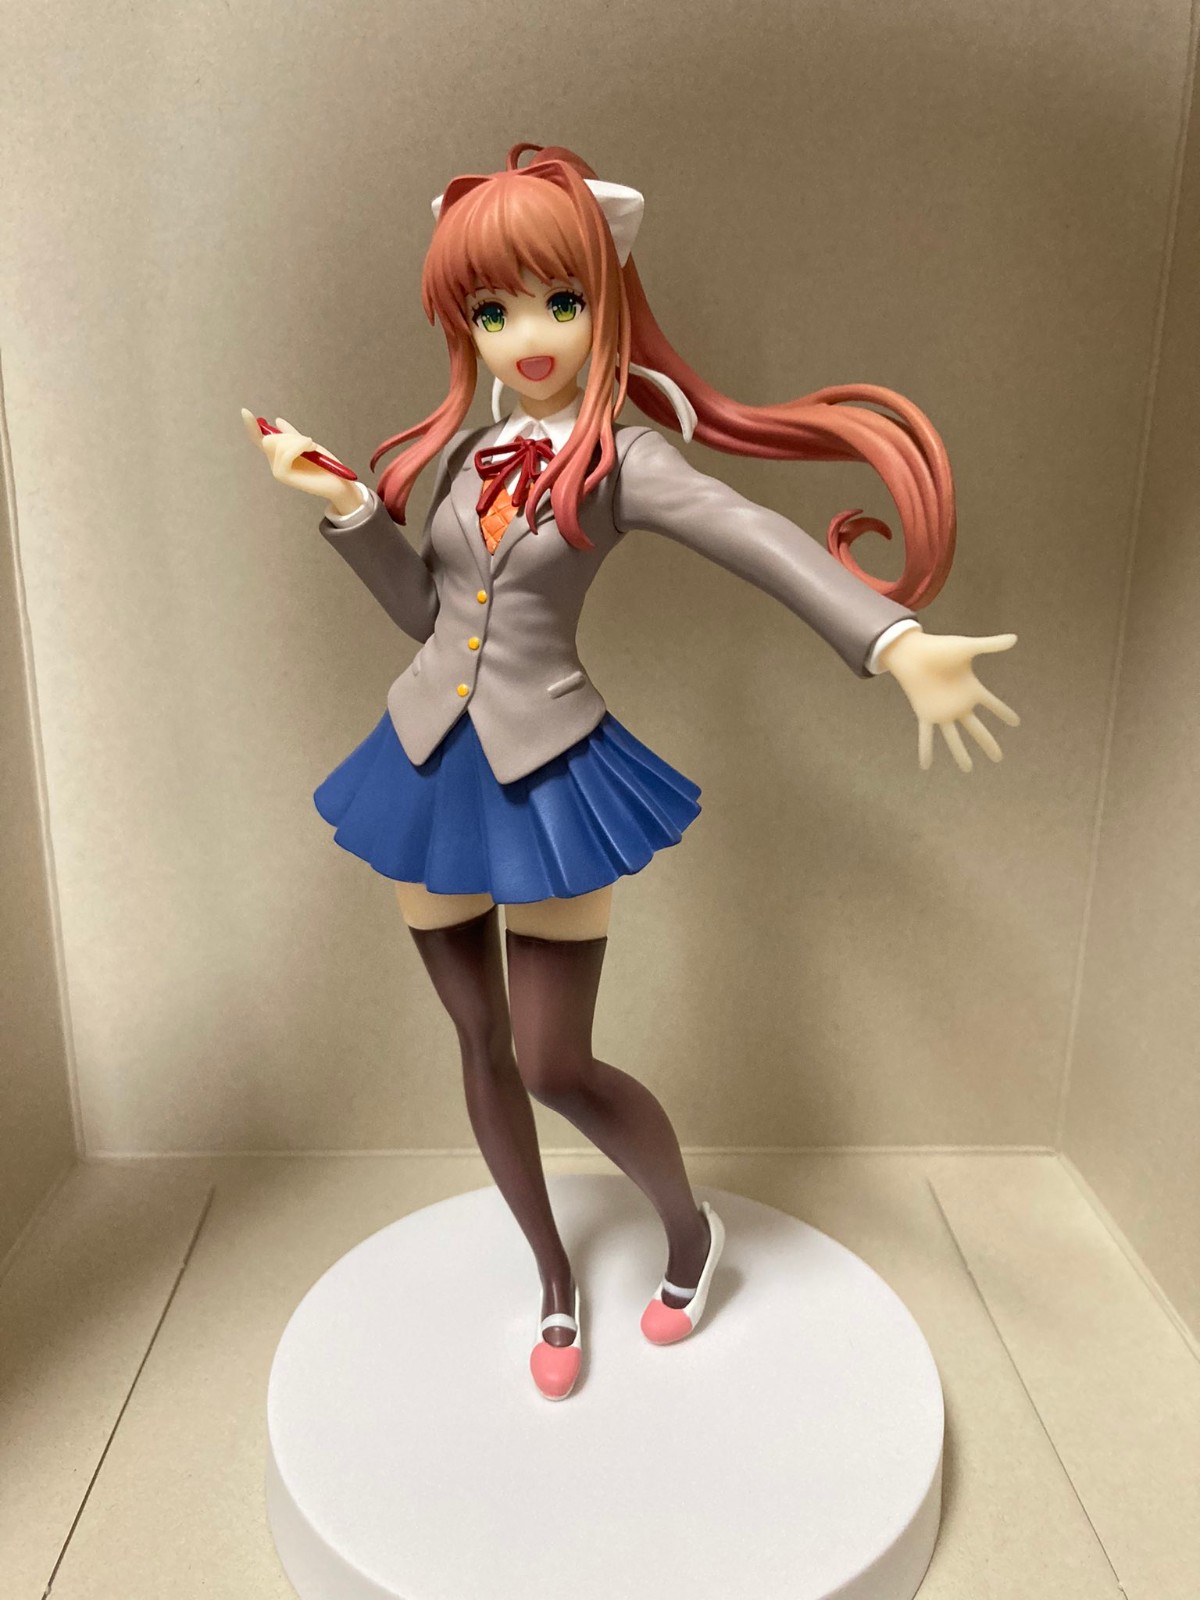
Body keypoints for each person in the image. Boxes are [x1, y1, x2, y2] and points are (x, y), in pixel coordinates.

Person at [243, 141, 1019, 1401]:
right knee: (478, 1043)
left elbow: (753, 535)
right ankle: (553, 1281)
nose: (528, 336)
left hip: (550, 775)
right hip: (424, 765)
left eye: (560, 301)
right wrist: (344, 506)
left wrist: (893, 641)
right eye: (493, 311)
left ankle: (689, 1236)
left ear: (606, 301)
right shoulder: (463, 458)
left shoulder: (623, 461)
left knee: (556, 1061)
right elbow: (426, 613)